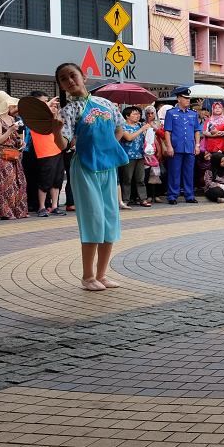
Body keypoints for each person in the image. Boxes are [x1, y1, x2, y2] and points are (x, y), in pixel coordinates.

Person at [51, 62, 131, 291]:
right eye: (63, 79)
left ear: (84, 76)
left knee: (110, 220)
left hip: (108, 167)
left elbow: (120, 127)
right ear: (61, 86)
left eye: (72, 75)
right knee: (93, 220)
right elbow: (63, 145)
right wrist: (55, 130)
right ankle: (87, 277)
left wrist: (108, 147)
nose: (70, 81)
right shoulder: (68, 111)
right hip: (85, 168)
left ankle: (102, 275)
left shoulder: (106, 104)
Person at [0, 91, 28, 220]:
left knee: (19, 180)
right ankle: (7, 212)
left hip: (13, 152)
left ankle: (19, 211)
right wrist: (10, 129)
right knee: (6, 182)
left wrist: (20, 141)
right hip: (1, 153)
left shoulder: (11, 118)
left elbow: (14, 137)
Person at [164, 88, 201, 204]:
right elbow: (167, 131)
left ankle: (189, 195)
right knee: (174, 173)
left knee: (189, 173)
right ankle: (172, 196)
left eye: (189, 98)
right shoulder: (171, 113)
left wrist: (197, 145)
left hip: (190, 147)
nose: (188, 100)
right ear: (178, 99)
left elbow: (197, 131)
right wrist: (169, 146)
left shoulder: (193, 114)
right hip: (176, 147)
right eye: (185, 98)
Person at [119, 106, 150, 208]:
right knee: (127, 179)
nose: (138, 116)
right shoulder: (123, 126)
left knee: (140, 179)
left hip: (140, 155)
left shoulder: (140, 125)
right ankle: (125, 200)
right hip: (128, 156)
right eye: (135, 114)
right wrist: (142, 129)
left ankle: (143, 198)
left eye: (139, 114)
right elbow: (129, 137)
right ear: (127, 116)